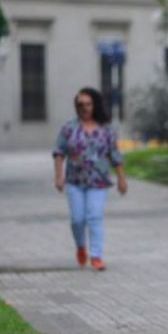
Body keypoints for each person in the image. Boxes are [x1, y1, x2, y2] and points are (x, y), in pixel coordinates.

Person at [53, 87, 128, 271]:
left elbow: (115, 155)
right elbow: (59, 152)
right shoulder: (69, 128)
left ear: (95, 105)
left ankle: (96, 256)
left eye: (88, 104)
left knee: (94, 216)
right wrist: (58, 177)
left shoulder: (106, 129)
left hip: (98, 181)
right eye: (80, 105)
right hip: (75, 181)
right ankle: (80, 246)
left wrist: (121, 179)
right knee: (78, 219)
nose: (84, 108)